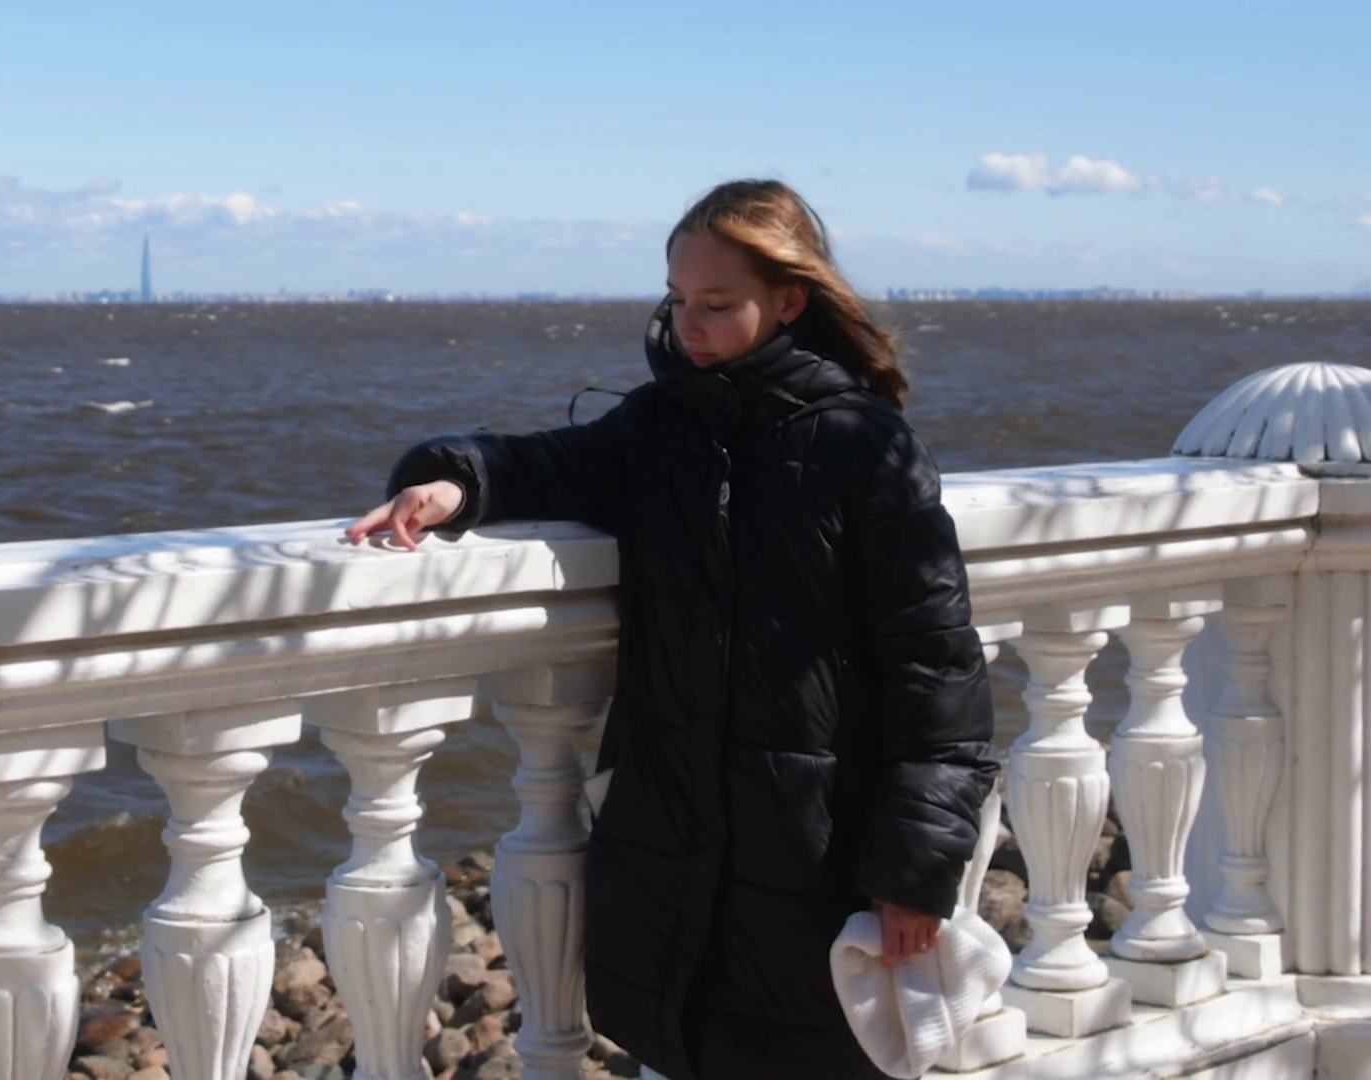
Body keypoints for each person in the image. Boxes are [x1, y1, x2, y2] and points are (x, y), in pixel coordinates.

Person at [344, 179, 1000, 1079]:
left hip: (818, 850)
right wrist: (451, 484)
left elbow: (938, 670)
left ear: (790, 301)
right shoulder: (660, 427)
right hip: (671, 839)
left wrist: (914, 868)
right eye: (678, 299)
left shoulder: (864, 447)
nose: (689, 325)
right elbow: (536, 465)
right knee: (681, 1042)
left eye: (717, 303)